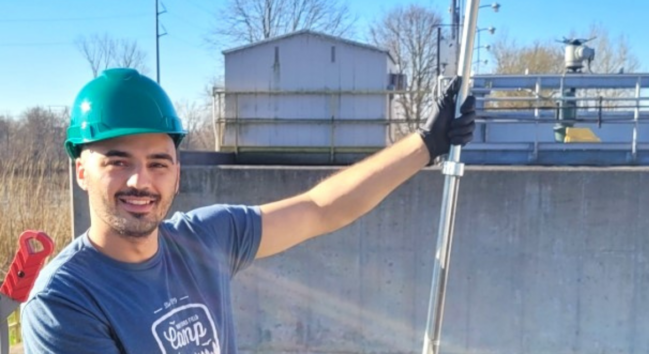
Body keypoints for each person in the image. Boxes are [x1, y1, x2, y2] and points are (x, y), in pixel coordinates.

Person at [20, 68, 476, 353]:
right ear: (82, 170)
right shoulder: (64, 301)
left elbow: (320, 209)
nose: (141, 181)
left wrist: (426, 144)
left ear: (177, 173)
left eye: (158, 163)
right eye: (118, 162)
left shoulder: (205, 240)